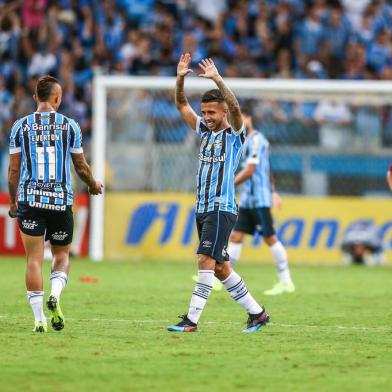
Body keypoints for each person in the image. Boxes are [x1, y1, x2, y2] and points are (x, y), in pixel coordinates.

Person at [167, 53, 269, 333]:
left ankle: (191, 320)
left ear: (223, 112)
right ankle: (257, 313)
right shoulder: (204, 131)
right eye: (205, 112)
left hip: (221, 207)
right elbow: (180, 104)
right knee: (221, 267)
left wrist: (216, 78)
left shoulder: (235, 136)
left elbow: (235, 105)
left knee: (205, 260)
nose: (207, 117)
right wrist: (179, 79)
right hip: (202, 208)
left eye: (212, 113)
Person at [8, 75, 103, 333]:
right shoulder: (69, 126)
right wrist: (93, 184)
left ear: (35, 98)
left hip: (29, 199)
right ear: (58, 98)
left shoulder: (20, 127)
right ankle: (56, 295)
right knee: (61, 254)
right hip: (60, 201)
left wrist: (14, 201)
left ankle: (39, 319)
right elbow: (80, 166)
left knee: (34, 260)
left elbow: (13, 172)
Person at [227, 111, 295, 295]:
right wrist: (275, 191)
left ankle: (286, 281)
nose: (236, 121)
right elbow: (268, 168)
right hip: (248, 198)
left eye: (240, 117)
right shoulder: (244, 141)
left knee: (269, 238)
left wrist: (227, 184)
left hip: (259, 199)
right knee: (236, 236)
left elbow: (251, 170)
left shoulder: (257, 139)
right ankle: (223, 277)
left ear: (249, 118)